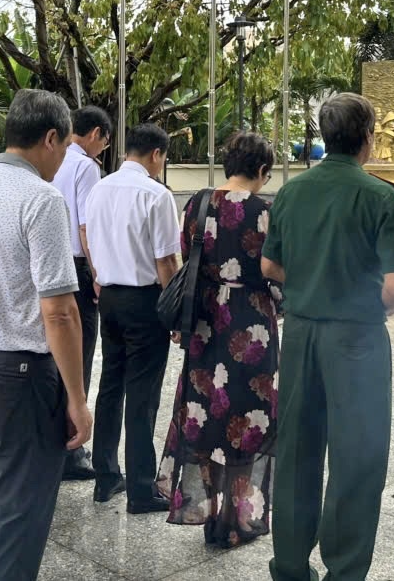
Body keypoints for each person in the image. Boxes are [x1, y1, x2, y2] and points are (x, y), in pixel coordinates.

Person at [262, 93, 394, 581]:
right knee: (358, 455)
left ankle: (290, 565)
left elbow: (269, 264)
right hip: (357, 343)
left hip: (301, 337)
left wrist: (312, 285)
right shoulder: (380, 197)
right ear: (368, 138)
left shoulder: (291, 192)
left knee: (296, 451)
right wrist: (355, 300)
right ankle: (345, 570)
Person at [0, 89, 92, 581]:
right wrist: (76, 397)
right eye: (65, 146)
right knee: (16, 517)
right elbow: (60, 310)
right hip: (17, 373)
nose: (65, 157)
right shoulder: (41, 199)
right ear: (49, 139)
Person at [156, 131, 280, 548]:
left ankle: (207, 512)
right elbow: (275, 273)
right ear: (262, 170)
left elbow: (186, 257)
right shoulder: (265, 212)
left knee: (207, 414)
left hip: (205, 321)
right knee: (249, 418)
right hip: (250, 325)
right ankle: (236, 519)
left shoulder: (197, 202)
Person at [84, 122, 179, 513]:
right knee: (142, 395)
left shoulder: (99, 188)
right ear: (156, 154)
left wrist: (98, 278)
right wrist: (175, 312)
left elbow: (86, 236)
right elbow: (167, 261)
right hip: (144, 301)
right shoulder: (156, 195)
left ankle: (106, 476)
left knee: (110, 385)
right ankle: (141, 488)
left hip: (109, 296)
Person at [48, 104, 111, 480]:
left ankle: (51, 440)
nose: (102, 148)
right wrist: (98, 273)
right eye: (103, 140)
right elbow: (86, 227)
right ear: (95, 134)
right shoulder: (86, 167)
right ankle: (72, 447)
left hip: (49, 261)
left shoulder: (52, 161)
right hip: (77, 265)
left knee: (53, 356)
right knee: (79, 354)